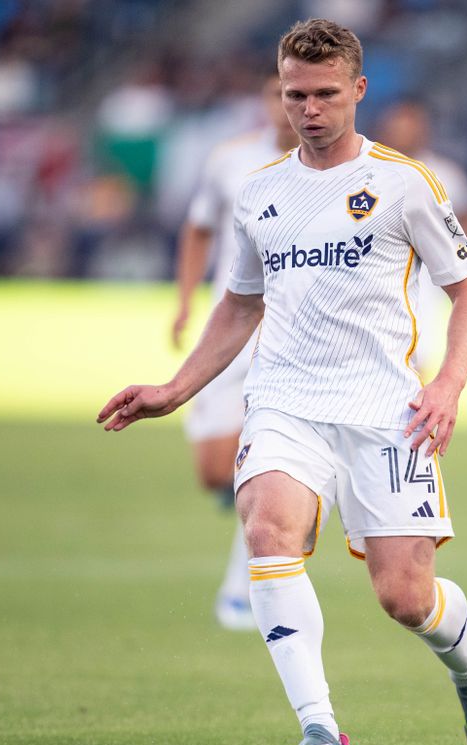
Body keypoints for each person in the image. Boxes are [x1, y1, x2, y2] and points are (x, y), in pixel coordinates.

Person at [97, 18, 467, 745]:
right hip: (284, 401)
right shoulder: (259, 192)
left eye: (324, 94)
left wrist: (447, 384)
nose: (308, 109)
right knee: (268, 530)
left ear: (358, 90)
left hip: (387, 411)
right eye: (294, 95)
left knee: (406, 597)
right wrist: (176, 389)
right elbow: (241, 304)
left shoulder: (404, 184)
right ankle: (321, 731)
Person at [171, 76, 299, 631]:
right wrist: (184, 300)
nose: (290, 105)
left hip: (291, 335)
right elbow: (199, 229)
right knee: (213, 472)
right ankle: (259, 507)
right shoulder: (231, 160)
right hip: (231, 325)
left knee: (263, 462)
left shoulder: (337, 167)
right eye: (280, 94)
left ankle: (248, 580)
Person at [376, 98, 467, 372]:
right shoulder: (369, 171)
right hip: (379, 275)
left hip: (429, 278)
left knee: (418, 352)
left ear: (425, 129)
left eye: (411, 123)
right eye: (397, 123)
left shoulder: (445, 174)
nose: (403, 130)